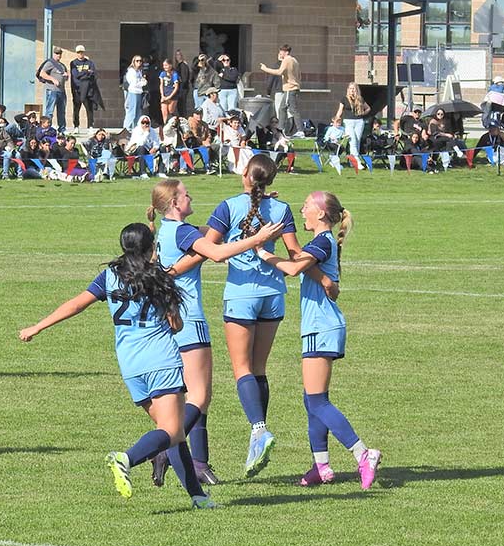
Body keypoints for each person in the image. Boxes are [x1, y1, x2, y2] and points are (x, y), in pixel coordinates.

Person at [19, 223, 216, 510]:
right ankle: (126, 458)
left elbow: (77, 304)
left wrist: (38, 326)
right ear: (150, 248)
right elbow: (176, 325)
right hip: (160, 360)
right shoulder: (158, 277)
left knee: (168, 432)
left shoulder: (109, 276)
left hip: (130, 365)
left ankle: (198, 497)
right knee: (173, 432)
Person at [147, 179, 283, 485]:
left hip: (172, 318)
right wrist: (258, 238)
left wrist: (254, 205)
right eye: (186, 194)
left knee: (196, 396)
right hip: (189, 320)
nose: (191, 196)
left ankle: (198, 462)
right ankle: (164, 448)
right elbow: (218, 253)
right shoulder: (182, 232)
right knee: (200, 396)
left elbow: (215, 233)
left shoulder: (171, 229)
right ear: (175, 203)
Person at [254, 191, 381, 489]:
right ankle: (320, 466)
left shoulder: (323, 242)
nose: (302, 209)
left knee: (317, 401)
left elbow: (293, 267)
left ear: (321, 213)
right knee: (311, 400)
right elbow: (302, 259)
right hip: (318, 328)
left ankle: (363, 454)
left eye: (307, 206)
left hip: (322, 327)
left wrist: (261, 251)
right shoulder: (321, 243)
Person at [201, 154, 307, 477]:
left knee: (242, 369)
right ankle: (256, 437)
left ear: (246, 174)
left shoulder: (228, 206)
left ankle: (259, 430)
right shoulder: (281, 209)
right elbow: (295, 253)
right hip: (273, 294)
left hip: (241, 294)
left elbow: (208, 246)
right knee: (259, 368)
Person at [259, 44, 305, 138]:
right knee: (282, 108)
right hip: (293, 87)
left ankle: (300, 130)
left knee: (293, 109)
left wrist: (265, 69)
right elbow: (299, 75)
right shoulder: (294, 60)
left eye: (282, 52)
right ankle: (281, 129)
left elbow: (279, 72)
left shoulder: (287, 60)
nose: (280, 53)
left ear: (286, 52)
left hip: (290, 88)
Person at [334, 82, 370, 166]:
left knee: (357, 141)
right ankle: (357, 162)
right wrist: (336, 119)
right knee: (352, 141)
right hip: (348, 122)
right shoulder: (344, 99)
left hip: (359, 122)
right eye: (350, 88)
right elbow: (340, 111)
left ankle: (352, 161)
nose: (352, 90)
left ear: (356, 90)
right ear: (348, 90)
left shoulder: (360, 99)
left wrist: (363, 113)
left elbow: (368, 108)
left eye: (353, 88)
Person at [69, 45, 97, 134]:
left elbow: (93, 74)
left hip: (87, 90)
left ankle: (90, 126)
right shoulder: (73, 63)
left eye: (81, 52)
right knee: (76, 109)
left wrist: (83, 74)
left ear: (84, 53)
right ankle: (76, 126)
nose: (80, 54)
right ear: (76, 53)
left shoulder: (90, 63)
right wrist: (86, 72)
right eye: (78, 52)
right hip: (77, 90)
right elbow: (75, 75)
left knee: (89, 109)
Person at [40, 47, 68, 133]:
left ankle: (62, 129)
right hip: (52, 91)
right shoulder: (50, 63)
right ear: (53, 54)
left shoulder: (62, 66)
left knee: (62, 111)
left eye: (59, 53)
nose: (58, 55)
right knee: (50, 111)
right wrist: (53, 79)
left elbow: (65, 78)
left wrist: (66, 76)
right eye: (56, 53)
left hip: (61, 91)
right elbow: (42, 73)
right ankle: (47, 129)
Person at [123, 55, 146, 133]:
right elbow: (134, 83)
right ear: (134, 62)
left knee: (138, 113)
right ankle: (126, 128)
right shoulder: (131, 71)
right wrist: (143, 83)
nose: (139, 62)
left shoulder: (139, 71)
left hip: (139, 92)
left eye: (140, 61)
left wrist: (142, 82)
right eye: (137, 61)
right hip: (133, 92)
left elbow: (142, 80)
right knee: (131, 112)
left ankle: (136, 128)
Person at [159, 59, 179, 126]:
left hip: (172, 95)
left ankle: (174, 124)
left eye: (166, 65)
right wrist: (162, 95)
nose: (164, 67)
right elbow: (161, 85)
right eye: (164, 65)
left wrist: (170, 97)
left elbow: (176, 87)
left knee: (170, 111)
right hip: (165, 95)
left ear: (170, 65)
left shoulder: (174, 74)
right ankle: (165, 126)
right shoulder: (162, 73)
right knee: (164, 112)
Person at [174, 50, 192, 117]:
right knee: (179, 105)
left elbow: (184, 78)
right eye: (176, 55)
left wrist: (180, 85)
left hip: (182, 88)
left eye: (179, 54)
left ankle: (184, 118)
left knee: (182, 105)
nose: (177, 56)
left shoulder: (183, 65)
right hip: (179, 88)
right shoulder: (178, 65)